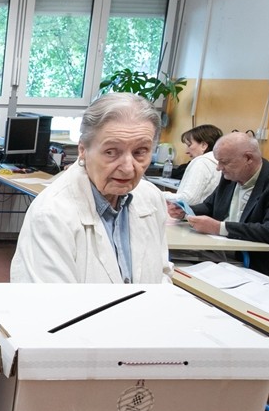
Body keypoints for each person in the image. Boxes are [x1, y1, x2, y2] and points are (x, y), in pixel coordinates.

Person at [10, 92, 171, 284]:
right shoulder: (51, 213)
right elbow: (52, 305)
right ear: (83, 151)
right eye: (111, 152)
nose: (128, 167)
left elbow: (162, 275)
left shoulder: (151, 198)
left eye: (140, 152)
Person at [168, 132, 269, 286]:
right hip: (222, 256)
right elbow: (210, 206)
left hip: (261, 268)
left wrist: (220, 228)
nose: (219, 168)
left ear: (248, 158)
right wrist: (185, 211)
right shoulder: (231, 177)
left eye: (224, 162)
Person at [164, 123, 222, 205]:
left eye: (189, 145)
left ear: (203, 145)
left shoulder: (202, 162)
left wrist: (159, 194)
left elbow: (188, 199)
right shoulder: (219, 162)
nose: (186, 151)